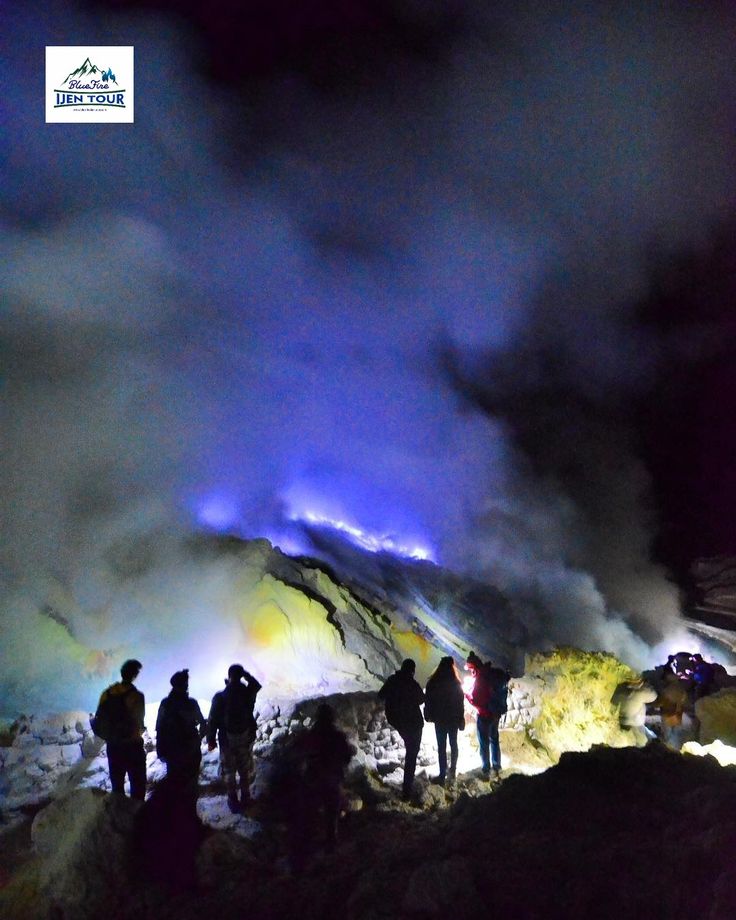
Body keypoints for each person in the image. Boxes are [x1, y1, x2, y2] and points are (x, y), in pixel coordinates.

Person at [286, 703, 355, 873]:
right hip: (331, 780)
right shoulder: (338, 737)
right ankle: (330, 848)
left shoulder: (310, 735)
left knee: (309, 816)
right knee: (331, 816)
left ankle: (304, 856)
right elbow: (347, 756)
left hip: (313, 780)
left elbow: (294, 752)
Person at [207, 663, 262, 813]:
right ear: (241, 675)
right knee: (244, 769)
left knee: (229, 771)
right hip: (244, 737)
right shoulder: (247, 693)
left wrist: (211, 739)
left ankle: (233, 800)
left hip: (227, 739)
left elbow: (212, 720)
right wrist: (245, 675)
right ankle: (246, 797)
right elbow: (256, 685)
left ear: (229, 676)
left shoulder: (220, 696)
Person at [94, 658, 146, 800]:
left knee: (117, 789)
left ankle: (119, 819)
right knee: (138, 787)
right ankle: (138, 820)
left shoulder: (107, 693)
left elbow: (100, 718)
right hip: (132, 746)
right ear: (134, 676)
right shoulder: (137, 696)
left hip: (113, 746)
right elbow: (139, 723)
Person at [378, 658, 425, 800]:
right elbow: (421, 699)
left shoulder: (393, 680)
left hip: (399, 722)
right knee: (412, 754)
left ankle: (407, 788)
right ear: (412, 670)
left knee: (410, 750)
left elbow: (381, 695)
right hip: (414, 723)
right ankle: (407, 791)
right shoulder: (412, 683)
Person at [155, 669, 207, 794]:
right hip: (191, 750)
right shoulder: (191, 704)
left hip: (172, 751)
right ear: (185, 685)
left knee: (174, 784)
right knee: (191, 784)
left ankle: (175, 811)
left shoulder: (165, 704)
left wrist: (160, 749)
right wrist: (198, 740)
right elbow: (203, 724)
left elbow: (159, 727)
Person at [465, 651, 509, 779]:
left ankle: (486, 768)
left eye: (470, 669)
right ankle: (497, 766)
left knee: (484, 742)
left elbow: (477, 701)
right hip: (495, 714)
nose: (470, 672)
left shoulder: (481, 678)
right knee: (494, 740)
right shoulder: (490, 673)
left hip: (484, 715)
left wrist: (467, 695)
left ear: (474, 667)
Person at [424, 656, 465, 786]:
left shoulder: (434, 682)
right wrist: (460, 718)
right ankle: (452, 771)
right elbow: (460, 703)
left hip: (440, 719)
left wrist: (429, 714)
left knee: (442, 747)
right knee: (453, 744)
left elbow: (428, 700)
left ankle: (442, 774)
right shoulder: (456, 683)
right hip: (452, 719)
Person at [610, 677, 657, 745]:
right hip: (635, 721)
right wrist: (644, 684)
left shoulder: (619, 691)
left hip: (625, 720)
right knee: (643, 740)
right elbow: (654, 695)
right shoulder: (637, 693)